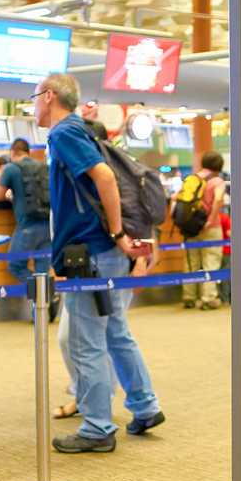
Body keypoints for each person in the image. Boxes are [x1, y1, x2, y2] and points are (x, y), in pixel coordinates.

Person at [34, 73, 163, 452]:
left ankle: (97, 427)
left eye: (35, 98)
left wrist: (117, 232)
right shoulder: (83, 131)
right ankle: (144, 406)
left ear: (49, 96)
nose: (33, 106)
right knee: (115, 332)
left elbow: (104, 177)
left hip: (90, 253)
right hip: (101, 253)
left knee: (85, 340)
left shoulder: (64, 133)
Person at [0, 137, 52, 289]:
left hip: (27, 226)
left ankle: (41, 291)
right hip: (48, 226)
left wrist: (10, 195)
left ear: (12, 152)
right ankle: (45, 299)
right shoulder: (44, 167)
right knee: (42, 272)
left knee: (15, 266)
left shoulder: (11, 168)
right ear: (28, 152)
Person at [182, 151, 228, 311]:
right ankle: (208, 299)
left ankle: (189, 297)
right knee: (211, 262)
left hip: (191, 228)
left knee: (191, 263)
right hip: (211, 227)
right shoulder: (217, 181)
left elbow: (176, 198)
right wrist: (210, 219)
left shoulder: (193, 179)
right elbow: (218, 199)